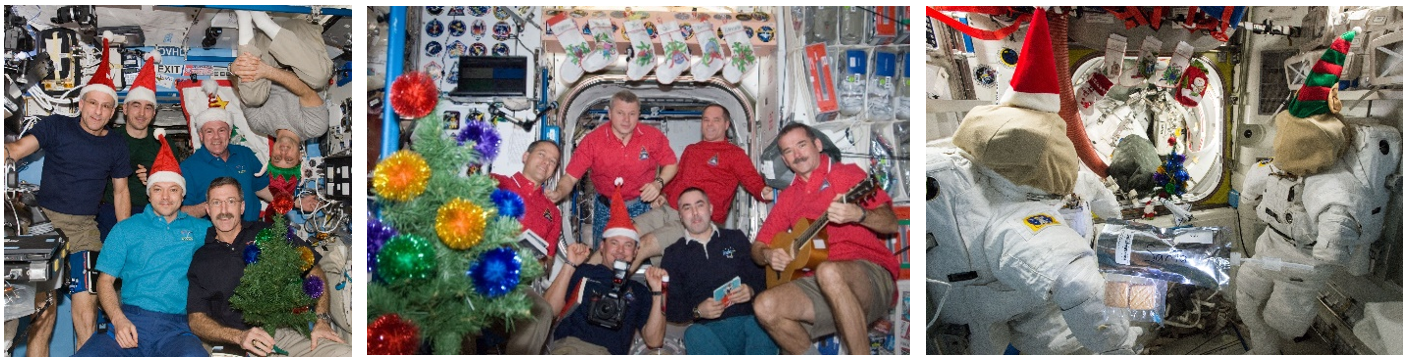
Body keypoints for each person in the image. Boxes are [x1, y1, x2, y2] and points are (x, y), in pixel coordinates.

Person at [927, 8, 1136, 354]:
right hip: (1039, 318)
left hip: (1016, 301)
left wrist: (1116, 224)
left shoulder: (1019, 182)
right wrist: (1122, 348)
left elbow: (1091, 188)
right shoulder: (1020, 223)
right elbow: (1078, 285)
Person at [1237, 28, 1377, 355]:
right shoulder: (1274, 168)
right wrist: (1246, 198)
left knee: (1283, 319)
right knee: (1245, 298)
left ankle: (1277, 346)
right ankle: (1264, 352)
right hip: (1269, 248)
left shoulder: (1331, 185)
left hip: (1302, 265)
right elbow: (1256, 182)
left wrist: (1330, 251)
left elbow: (1339, 219)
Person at [2, 35, 132, 354]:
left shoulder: (116, 145)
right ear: (81, 102)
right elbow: (16, 150)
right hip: (42, 224)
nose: (98, 112)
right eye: (93, 103)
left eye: (106, 106)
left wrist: (125, 239)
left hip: (86, 230)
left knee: (86, 308)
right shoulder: (56, 126)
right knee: (40, 312)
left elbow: (121, 192)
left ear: (113, 111)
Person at [750, 123, 899, 355]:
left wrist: (859, 214)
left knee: (829, 271)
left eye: (801, 145)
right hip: (819, 284)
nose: (797, 155)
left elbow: (890, 223)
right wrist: (768, 254)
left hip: (869, 275)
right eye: (789, 151)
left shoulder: (847, 174)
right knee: (764, 306)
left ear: (817, 145)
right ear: (785, 160)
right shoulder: (789, 197)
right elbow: (757, 247)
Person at [73, 132, 210, 357]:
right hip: (130, 321)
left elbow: (233, 237)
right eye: (158, 189)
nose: (165, 197)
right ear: (149, 194)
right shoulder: (126, 229)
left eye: (173, 189)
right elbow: (105, 282)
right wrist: (118, 320)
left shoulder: (199, 229)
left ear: (182, 194)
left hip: (177, 329)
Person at [185, 177, 350, 356]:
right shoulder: (201, 258)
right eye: (217, 203)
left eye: (231, 201)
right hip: (233, 342)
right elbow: (196, 319)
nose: (224, 210)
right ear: (208, 209)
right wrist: (238, 337)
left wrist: (321, 320)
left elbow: (313, 269)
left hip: (285, 335)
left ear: (242, 207)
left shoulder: (269, 232)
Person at [629, 103, 773, 270]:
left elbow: (752, 180)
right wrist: (664, 194)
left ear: (726, 125)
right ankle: (596, 279)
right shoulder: (691, 150)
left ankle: (612, 289)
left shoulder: (734, 154)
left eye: (716, 120)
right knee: (625, 235)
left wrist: (764, 192)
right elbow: (677, 179)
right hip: (669, 209)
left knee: (645, 244)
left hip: (696, 220)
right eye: (706, 120)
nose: (709, 124)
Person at [543, 181, 667, 355]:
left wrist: (659, 293)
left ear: (636, 251)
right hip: (570, 349)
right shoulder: (584, 272)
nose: (620, 251)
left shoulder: (639, 291)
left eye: (628, 245)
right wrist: (570, 264)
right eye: (614, 243)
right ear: (602, 246)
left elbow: (655, 341)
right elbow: (547, 311)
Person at [548, 90, 677, 248]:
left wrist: (658, 183)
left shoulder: (652, 137)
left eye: (632, 114)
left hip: (642, 206)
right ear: (609, 113)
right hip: (606, 208)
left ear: (638, 115)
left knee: (641, 252)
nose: (626, 120)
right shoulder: (592, 141)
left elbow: (671, 164)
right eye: (620, 113)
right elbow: (570, 177)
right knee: (603, 255)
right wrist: (559, 193)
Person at [660, 187, 776, 355]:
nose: (695, 213)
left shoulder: (736, 238)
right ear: (680, 216)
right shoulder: (673, 254)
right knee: (692, 334)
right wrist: (698, 311)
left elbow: (763, 279)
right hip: (708, 331)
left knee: (762, 324)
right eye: (687, 207)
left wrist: (750, 290)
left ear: (711, 209)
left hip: (748, 322)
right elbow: (669, 308)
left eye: (699, 205)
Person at [487, 139, 561, 354]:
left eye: (553, 161)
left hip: (518, 284)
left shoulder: (552, 213)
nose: (546, 162)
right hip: (480, 272)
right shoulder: (496, 184)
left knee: (542, 311)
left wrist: (535, 262)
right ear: (525, 157)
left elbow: (548, 262)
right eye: (541, 154)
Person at [98, 51, 163, 240]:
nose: (142, 113)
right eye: (136, 105)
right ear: (125, 109)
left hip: (151, 213)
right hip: (109, 212)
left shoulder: (161, 141)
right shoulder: (108, 138)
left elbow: (177, 181)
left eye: (148, 107)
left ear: (154, 113)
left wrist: (156, 177)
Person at [179, 105, 272, 221]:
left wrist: (293, 201)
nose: (216, 137)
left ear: (229, 133)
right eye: (209, 132)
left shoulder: (244, 154)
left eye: (221, 130)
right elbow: (181, 212)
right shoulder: (188, 168)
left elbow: (262, 188)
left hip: (252, 231)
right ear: (201, 136)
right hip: (212, 236)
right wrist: (213, 205)